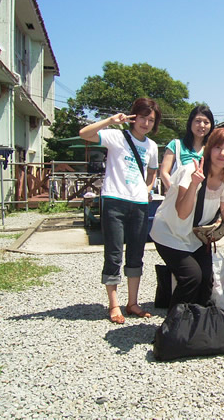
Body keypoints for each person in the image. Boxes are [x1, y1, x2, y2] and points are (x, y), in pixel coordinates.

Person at [150, 128, 224, 307]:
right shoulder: (191, 170)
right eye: (217, 147)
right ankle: (176, 321)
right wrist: (194, 184)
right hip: (170, 233)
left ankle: (198, 319)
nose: (222, 154)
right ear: (209, 149)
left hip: (197, 236)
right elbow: (182, 213)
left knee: (207, 279)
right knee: (191, 277)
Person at [79, 97, 160, 324]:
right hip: (114, 201)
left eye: (151, 120)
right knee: (114, 253)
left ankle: (132, 303)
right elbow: (84, 133)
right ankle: (114, 305)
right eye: (142, 117)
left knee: (136, 253)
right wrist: (110, 121)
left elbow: (152, 171)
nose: (146, 123)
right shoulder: (117, 136)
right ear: (134, 117)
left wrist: (147, 188)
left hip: (140, 204)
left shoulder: (152, 146)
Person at [159, 105, 214, 192]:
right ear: (190, 122)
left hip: (203, 197)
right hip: (178, 196)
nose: (202, 125)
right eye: (198, 121)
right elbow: (164, 172)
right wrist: (174, 192)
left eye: (206, 122)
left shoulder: (212, 149)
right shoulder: (176, 145)